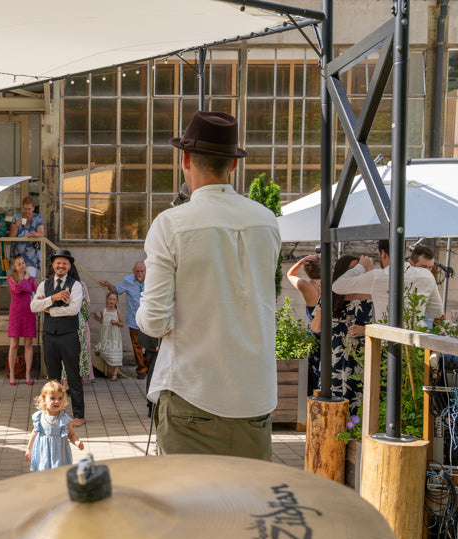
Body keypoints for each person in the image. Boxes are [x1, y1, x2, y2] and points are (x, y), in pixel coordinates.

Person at [137, 110, 280, 459]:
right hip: (253, 397)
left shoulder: (171, 224)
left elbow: (153, 322)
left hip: (192, 392)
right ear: (232, 165)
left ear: (185, 158)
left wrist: (177, 320)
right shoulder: (266, 220)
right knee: (247, 507)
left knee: (188, 510)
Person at [311, 255, 373, 415]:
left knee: (360, 403)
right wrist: (321, 311)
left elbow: (385, 327)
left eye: (359, 270)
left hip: (361, 361)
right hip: (334, 360)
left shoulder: (372, 296)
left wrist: (365, 330)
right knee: (332, 406)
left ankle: (354, 435)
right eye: (351, 270)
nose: (356, 274)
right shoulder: (331, 296)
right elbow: (315, 328)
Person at [30, 249, 85, 427]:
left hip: (69, 336)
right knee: (52, 377)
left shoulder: (75, 285)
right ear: (53, 265)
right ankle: (52, 413)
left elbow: (73, 309)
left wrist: (50, 310)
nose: (61, 265)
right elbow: (33, 306)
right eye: (58, 262)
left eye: (65, 263)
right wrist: (52, 297)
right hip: (49, 336)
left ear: (69, 266)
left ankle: (79, 415)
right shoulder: (44, 285)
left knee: (73, 375)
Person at [332, 240, 443, 327]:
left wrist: (360, 267)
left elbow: (337, 286)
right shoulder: (427, 275)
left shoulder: (377, 276)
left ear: (383, 253)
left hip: (389, 346)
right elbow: (437, 312)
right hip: (415, 344)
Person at [24, 380, 84, 471]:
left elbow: (71, 434)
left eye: (60, 398)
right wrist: (29, 449)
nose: (57, 401)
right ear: (44, 399)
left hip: (59, 453)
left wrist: (77, 442)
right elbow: (34, 433)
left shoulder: (64, 419)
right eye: (52, 398)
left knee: (59, 473)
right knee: (44, 472)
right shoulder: (40, 417)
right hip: (43, 451)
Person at [101, 262, 147, 379]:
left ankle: (149, 367)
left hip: (149, 319)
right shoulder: (128, 280)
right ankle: (141, 369)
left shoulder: (152, 280)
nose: (140, 274)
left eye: (142, 271)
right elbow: (117, 290)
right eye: (137, 271)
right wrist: (108, 284)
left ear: (146, 271)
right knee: (137, 346)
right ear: (133, 271)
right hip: (135, 319)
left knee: (150, 345)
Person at [286, 254, 321, 393]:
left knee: (313, 364)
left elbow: (290, 274)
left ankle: (313, 395)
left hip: (314, 333)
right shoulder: (333, 286)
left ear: (307, 271)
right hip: (331, 331)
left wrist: (299, 262)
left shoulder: (305, 286)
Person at [6, 256, 37, 385]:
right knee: (14, 344)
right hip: (15, 314)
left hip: (29, 313)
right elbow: (17, 289)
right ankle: (12, 373)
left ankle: (28, 374)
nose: (22, 265)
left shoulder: (32, 279)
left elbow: (38, 291)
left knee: (28, 343)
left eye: (23, 262)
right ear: (14, 266)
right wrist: (24, 280)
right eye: (18, 264)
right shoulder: (11, 279)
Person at [9, 196, 44, 278]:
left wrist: (34, 234)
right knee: (18, 280)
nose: (27, 211)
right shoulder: (17, 217)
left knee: (29, 279)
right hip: (17, 254)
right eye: (25, 209)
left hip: (31, 254)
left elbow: (41, 234)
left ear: (33, 208)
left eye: (29, 209)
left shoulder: (37, 218)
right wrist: (16, 226)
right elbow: (11, 236)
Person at [93, 292, 124, 381]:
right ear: (107, 300)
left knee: (115, 352)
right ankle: (106, 371)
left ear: (116, 301)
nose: (111, 301)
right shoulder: (103, 311)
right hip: (105, 335)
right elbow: (102, 321)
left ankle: (115, 373)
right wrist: (95, 317)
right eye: (110, 299)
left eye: (114, 299)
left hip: (114, 335)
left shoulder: (118, 312)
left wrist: (116, 323)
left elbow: (122, 324)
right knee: (102, 350)